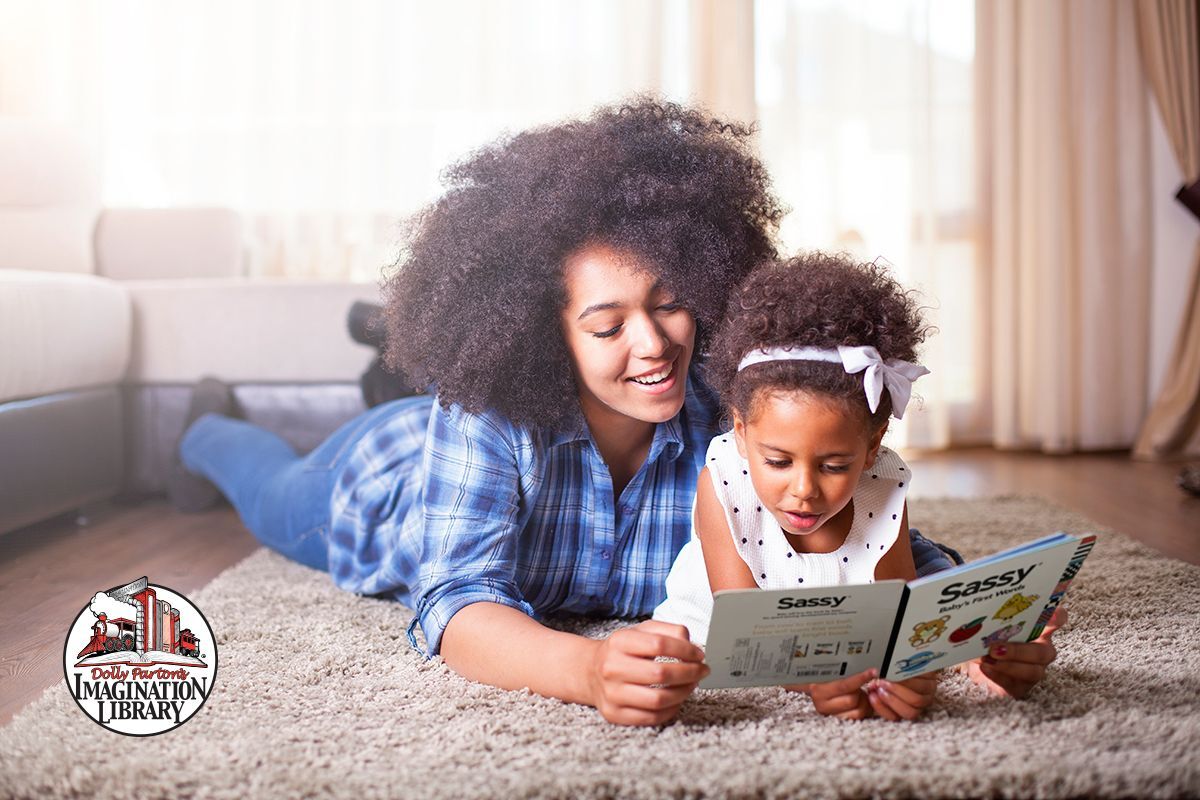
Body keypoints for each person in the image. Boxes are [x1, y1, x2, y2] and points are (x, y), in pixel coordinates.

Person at [651, 253, 1064, 721]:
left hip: (844, 637)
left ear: (872, 447)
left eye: (834, 465)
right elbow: (748, 637)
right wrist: (821, 680)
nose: (804, 489)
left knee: (949, 589)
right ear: (742, 433)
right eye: (778, 461)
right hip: (719, 637)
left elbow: (901, 616)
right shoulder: (722, 481)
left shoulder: (881, 485)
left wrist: (947, 662)